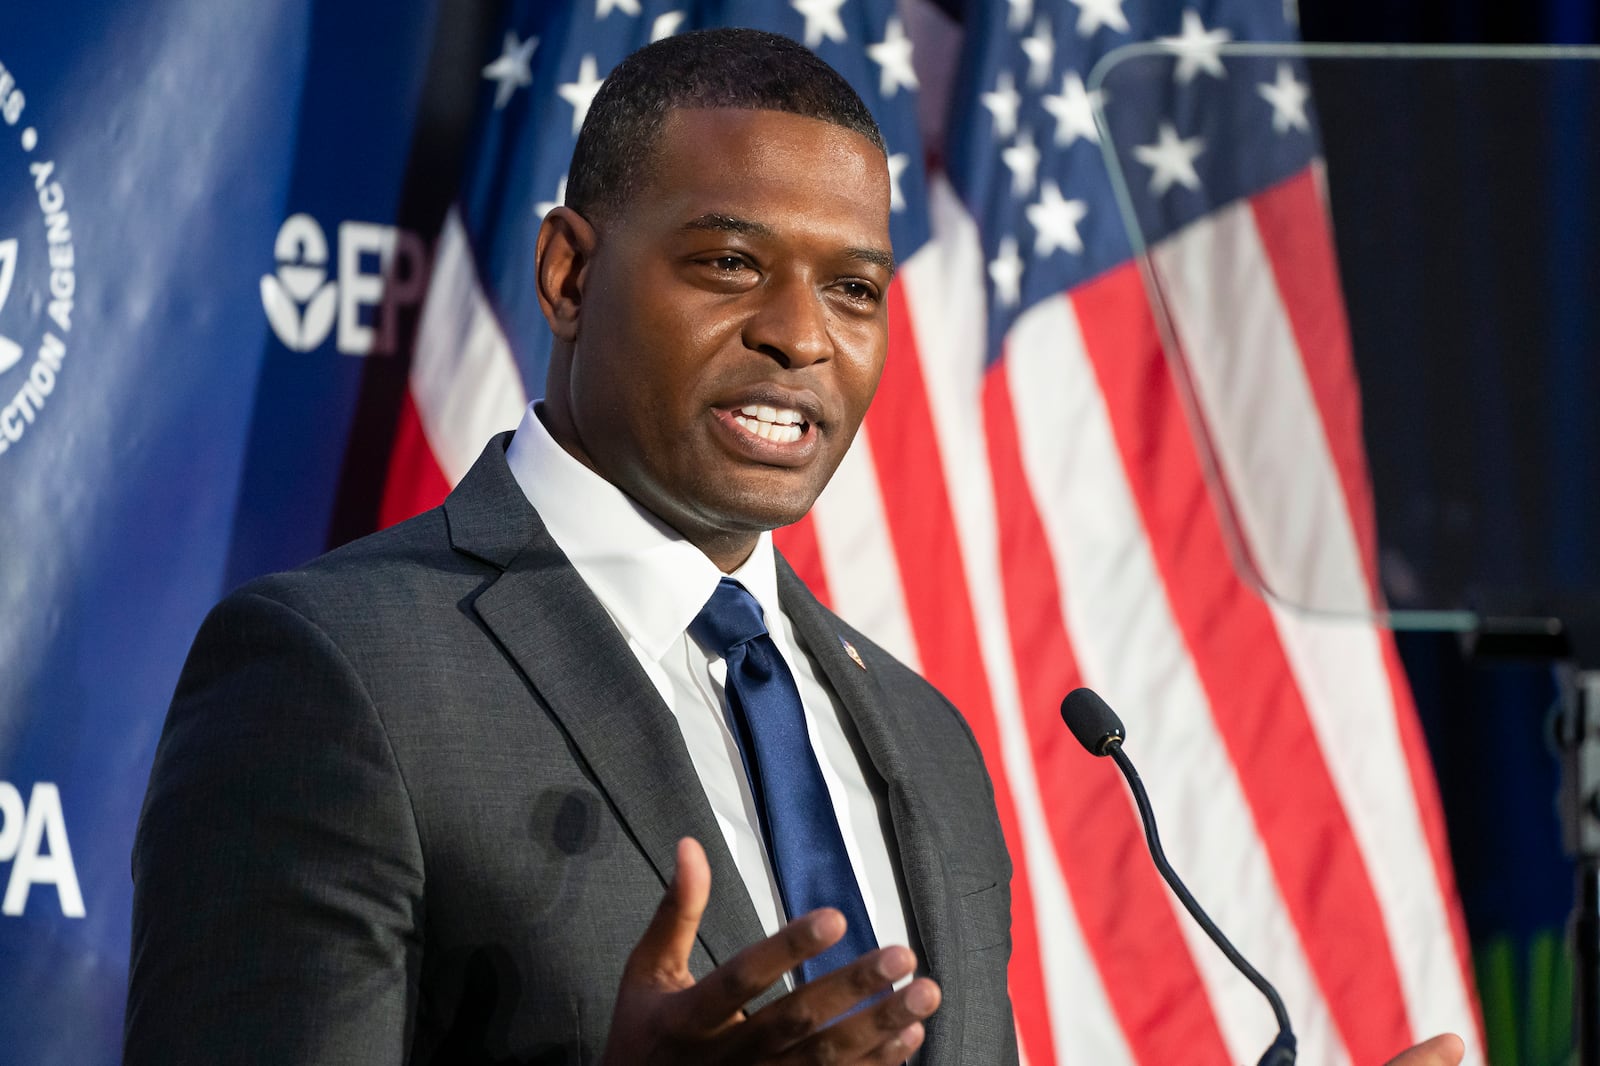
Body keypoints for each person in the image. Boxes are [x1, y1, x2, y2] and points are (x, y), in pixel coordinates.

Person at [125, 27, 1465, 1066]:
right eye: (725, 262)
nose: (801, 333)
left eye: (856, 287)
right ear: (568, 277)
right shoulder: (337, 672)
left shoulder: (925, 737)